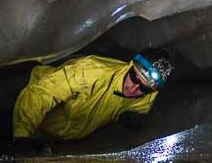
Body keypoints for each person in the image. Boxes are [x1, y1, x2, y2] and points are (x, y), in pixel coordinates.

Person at [11, 48, 174, 151]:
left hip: (55, 135)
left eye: (144, 88)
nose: (134, 88)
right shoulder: (92, 72)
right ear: (130, 66)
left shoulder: (145, 100)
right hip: (23, 99)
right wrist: (22, 135)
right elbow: (42, 94)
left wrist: (120, 116)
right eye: (134, 78)